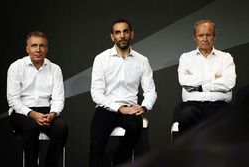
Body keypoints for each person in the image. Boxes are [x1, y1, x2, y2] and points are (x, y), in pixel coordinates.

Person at [90, 19, 157, 167]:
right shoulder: (101, 59)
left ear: (131, 34)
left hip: (130, 108)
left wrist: (144, 107)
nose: (122, 36)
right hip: (107, 108)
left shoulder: (142, 60)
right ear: (112, 37)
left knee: (135, 126)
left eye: (125, 31)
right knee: (96, 141)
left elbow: (151, 91)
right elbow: (96, 93)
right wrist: (119, 108)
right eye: (118, 32)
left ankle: (118, 160)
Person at [7, 31, 68, 167]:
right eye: (34, 45)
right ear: (27, 48)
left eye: (42, 46)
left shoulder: (55, 69)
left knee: (61, 128)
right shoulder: (16, 67)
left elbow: (58, 99)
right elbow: (13, 100)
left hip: (47, 111)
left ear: (47, 48)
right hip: (21, 111)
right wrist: (33, 115)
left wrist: (52, 114)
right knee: (31, 126)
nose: (38, 49)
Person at [173, 19, 236, 138]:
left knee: (230, 123)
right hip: (193, 106)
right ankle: (187, 156)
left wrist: (199, 87)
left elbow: (229, 82)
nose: (205, 39)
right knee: (185, 117)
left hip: (220, 105)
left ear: (214, 37)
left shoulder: (226, 57)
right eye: (201, 35)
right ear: (195, 38)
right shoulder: (186, 58)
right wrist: (214, 77)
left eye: (208, 35)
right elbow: (184, 81)